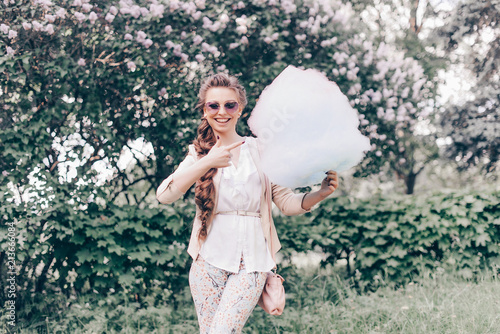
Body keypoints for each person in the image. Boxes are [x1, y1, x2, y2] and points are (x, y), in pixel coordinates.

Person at [156, 73, 338, 333]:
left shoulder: (260, 150)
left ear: (239, 109)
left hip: (252, 264)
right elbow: (165, 195)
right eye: (213, 105)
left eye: (229, 105)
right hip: (206, 263)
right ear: (204, 112)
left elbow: (286, 203)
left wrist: (319, 194)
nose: (222, 112)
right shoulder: (198, 154)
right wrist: (208, 161)